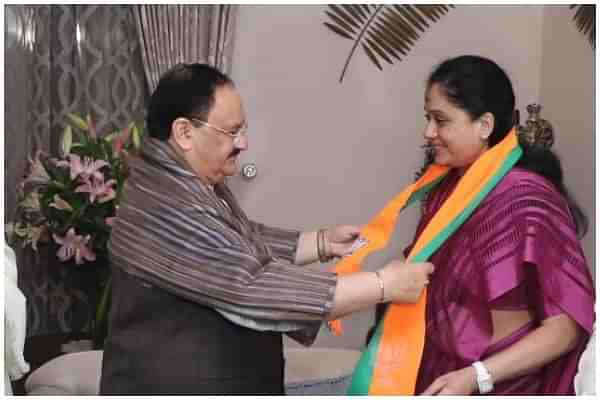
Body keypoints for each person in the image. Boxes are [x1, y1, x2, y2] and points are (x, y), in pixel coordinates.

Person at [99, 63, 434, 395]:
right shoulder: (166, 203)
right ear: (185, 132)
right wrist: (383, 285)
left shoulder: (178, 180)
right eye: (232, 132)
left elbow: (238, 239)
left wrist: (321, 243)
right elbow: (252, 283)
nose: (243, 143)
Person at [384, 55, 594, 395]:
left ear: (484, 125)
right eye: (428, 119)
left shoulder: (528, 198)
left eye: (440, 120)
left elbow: (565, 327)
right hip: (440, 376)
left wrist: (477, 376)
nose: (428, 133)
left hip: (502, 382)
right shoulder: (447, 189)